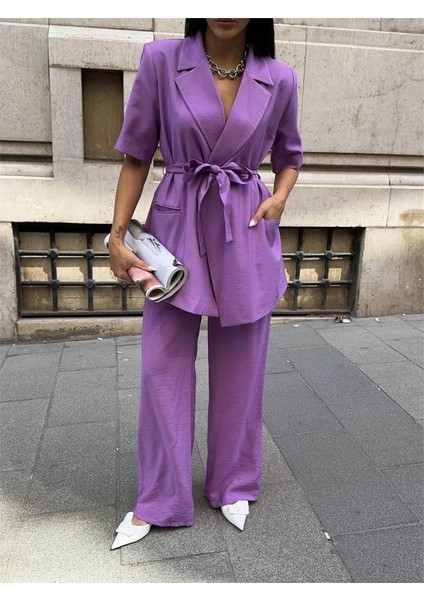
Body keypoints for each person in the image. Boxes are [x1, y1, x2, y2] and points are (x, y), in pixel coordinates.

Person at [108, 18, 303, 550]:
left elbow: (290, 156)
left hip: (245, 226)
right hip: (175, 227)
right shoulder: (161, 60)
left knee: (243, 367)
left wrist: (280, 197)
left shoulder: (279, 78)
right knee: (162, 367)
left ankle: (232, 482)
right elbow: (136, 154)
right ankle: (159, 497)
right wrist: (117, 235)